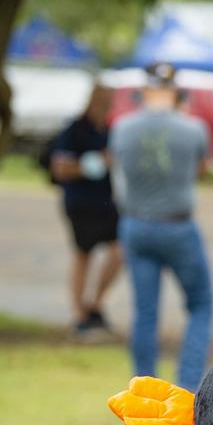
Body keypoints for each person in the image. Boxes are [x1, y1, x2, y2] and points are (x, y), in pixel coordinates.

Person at [109, 63, 213, 390]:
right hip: (177, 226)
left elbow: (117, 165)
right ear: (175, 91)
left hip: (136, 224)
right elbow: (202, 169)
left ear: (144, 91)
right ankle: (187, 385)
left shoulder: (122, 127)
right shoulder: (194, 128)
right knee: (201, 303)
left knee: (145, 312)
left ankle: (144, 387)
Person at [48, 84, 124, 337]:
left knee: (119, 252)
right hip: (80, 200)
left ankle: (95, 303)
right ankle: (78, 313)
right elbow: (60, 168)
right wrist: (92, 164)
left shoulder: (109, 130)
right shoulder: (75, 129)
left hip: (105, 201)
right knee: (84, 254)